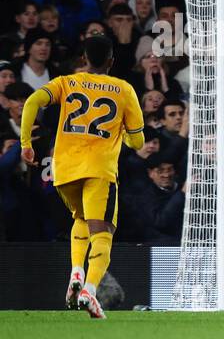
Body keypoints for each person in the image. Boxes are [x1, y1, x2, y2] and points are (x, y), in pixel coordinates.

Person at [17, 35, 144, 318]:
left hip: (64, 169)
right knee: (103, 232)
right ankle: (89, 289)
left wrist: (26, 144)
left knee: (80, 218)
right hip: (99, 170)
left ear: (84, 59)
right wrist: (122, 132)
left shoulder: (66, 82)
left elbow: (32, 102)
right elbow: (137, 143)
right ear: (111, 61)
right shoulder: (123, 90)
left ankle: (76, 271)